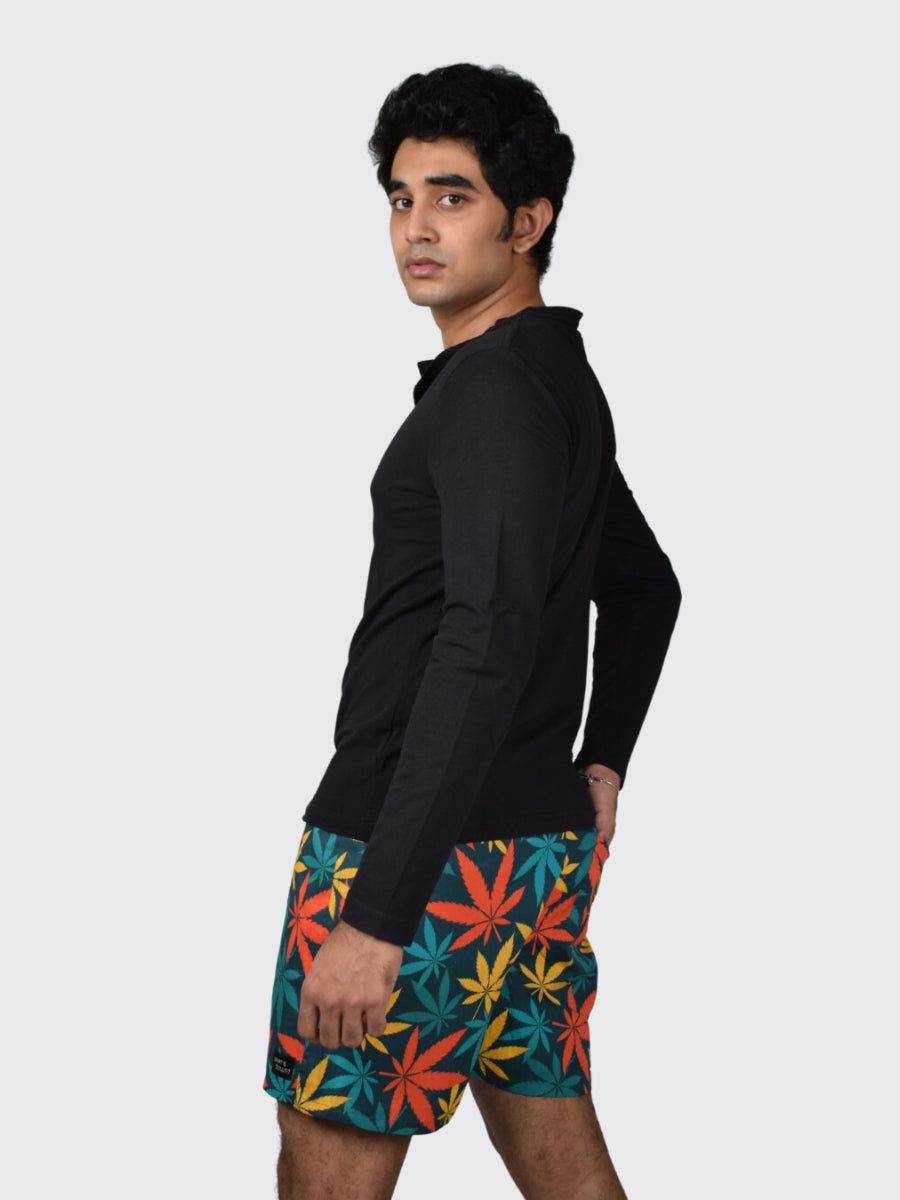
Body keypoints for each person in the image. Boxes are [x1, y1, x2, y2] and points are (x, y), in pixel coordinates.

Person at [263, 62, 682, 1200]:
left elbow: (486, 639)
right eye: (401, 199)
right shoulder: (551, 381)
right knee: (560, 1158)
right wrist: (601, 764)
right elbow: (645, 587)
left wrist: (376, 917)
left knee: (325, 1171)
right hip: (529, 863)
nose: (417, 228)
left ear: (528, 221)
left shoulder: (493, 391)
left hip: (414, 860)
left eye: (453, 197)